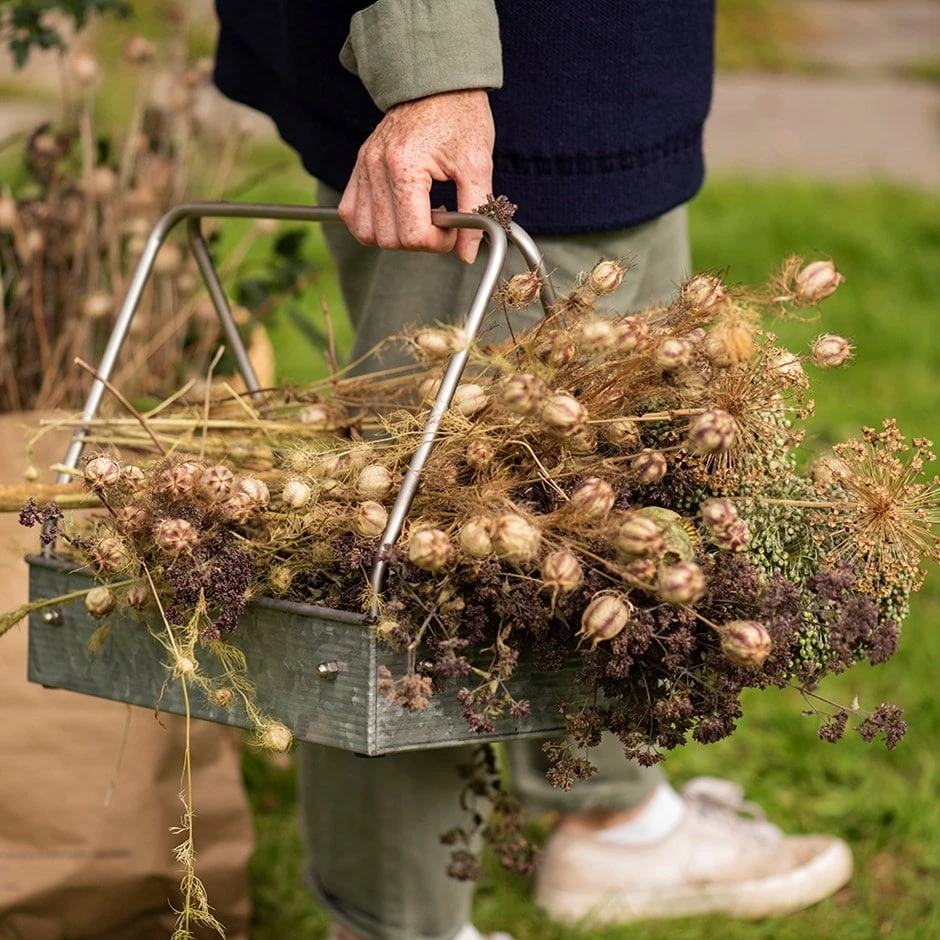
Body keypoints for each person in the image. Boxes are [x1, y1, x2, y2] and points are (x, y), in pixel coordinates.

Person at [212, 2, 853, 937]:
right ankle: (398, 920)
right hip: (493, 104)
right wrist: (431, 73)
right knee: (428, 540)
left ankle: (613, 821)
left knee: (608, 490)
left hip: (602, 79)